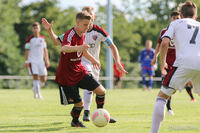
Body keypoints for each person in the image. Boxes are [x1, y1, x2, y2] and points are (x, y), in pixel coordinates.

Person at [41, 6, 127, 123]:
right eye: (86, 23)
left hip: (80, 69)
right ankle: (81, 116)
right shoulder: (71, 33)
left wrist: (94, 60)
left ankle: (99, 113)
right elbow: (62, 46)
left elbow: (109, 46)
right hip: (69, 73)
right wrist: (50, 31)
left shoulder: (90, 32)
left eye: (90, 21)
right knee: (80, 103)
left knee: (101, 91)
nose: (88, 25)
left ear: (93, 17)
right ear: (78, 22)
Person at [151, 1, 200, 133]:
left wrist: (162, 65)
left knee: (162, 96)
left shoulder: (175, 23)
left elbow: (165, 42)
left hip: (183, 63)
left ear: (181, 15)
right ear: (195, 17)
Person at [151, 11, 180, 115]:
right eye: (175, 18)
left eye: (178, 18)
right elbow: (159, 45)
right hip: (166, 63)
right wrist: (155, 57)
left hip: (179, 63)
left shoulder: (181, 31)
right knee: (166, 86)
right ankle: (168, 107)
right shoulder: (164, 31)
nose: (177, 20)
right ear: (171, 19)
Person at [25, 22, 50, 99]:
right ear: (32, 29)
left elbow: (45, 50)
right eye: (34, 28)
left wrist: (47, 60)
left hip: (41, 61)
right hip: (32, 61)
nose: (36, 29)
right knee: (35, 76)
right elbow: (27, 51)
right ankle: (38, 95)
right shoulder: (29, 39)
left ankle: (35, 88)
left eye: (37, 28)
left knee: (44, 79)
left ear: (40, 29)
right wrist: (27, 61)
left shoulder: (42, 39)